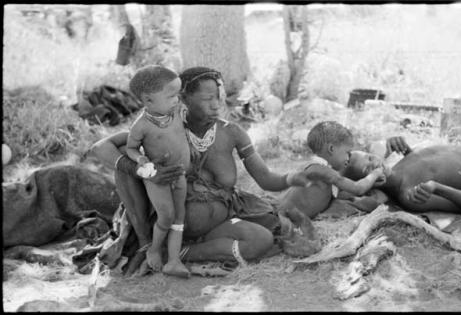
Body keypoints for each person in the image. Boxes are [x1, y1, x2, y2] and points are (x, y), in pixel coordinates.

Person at [90, 67, 331, 275]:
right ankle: (149, 244)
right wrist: (145, 171)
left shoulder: (232, 132)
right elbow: (101, 148)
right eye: (208, 98)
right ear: (183, 98)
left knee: (264, 239)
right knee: (123, 164)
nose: (217, 104)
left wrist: (292, 178)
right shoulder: (164, 126)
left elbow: (266, 179)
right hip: (172, 222)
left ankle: (180, 255)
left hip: (220, 221)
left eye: (219, 96)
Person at [125, 65, 190, 277]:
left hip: (179, 174)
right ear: (148, 100)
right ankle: (154, 249)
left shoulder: (178, 113)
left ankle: (173, 260)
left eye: (178, 94)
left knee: (179, 216)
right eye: (171, 96)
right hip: (157, 177)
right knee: (167, 215)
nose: (177, 100)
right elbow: (131, 148)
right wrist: (142, 159)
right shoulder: (142, 126)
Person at [341, 135, 461, 214]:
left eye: (369, 158)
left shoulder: (398, 164)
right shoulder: (412, 195)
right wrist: (437, 188)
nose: (375, 164)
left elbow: (432, 165)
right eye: (368, 170)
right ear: (367, 187)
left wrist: (409, 152)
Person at [278, 121, 388, 218]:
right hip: (284, 219)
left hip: (284, 213)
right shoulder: (322, 171)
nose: (348, 158)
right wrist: (375, 174)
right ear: (331, 149)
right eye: (347, 152)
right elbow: (358, 188)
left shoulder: (313, 168)